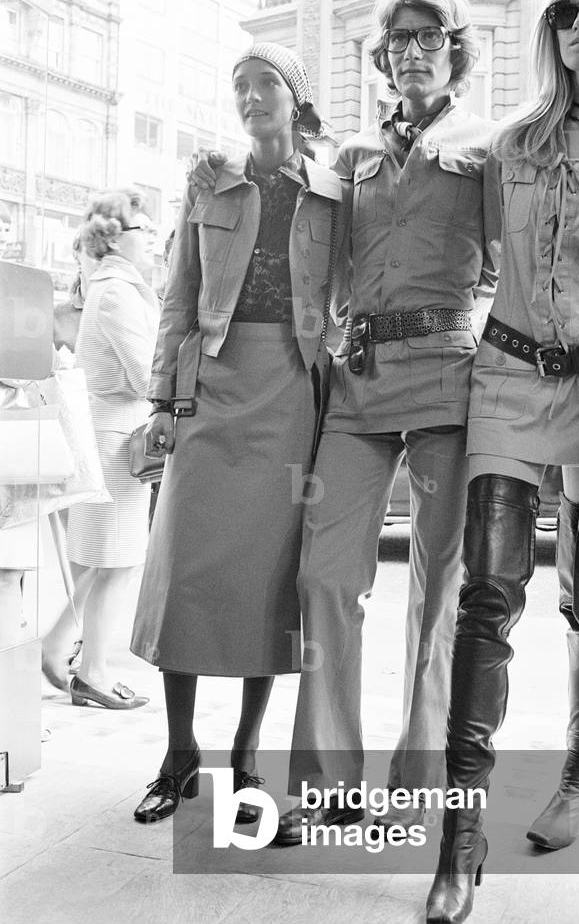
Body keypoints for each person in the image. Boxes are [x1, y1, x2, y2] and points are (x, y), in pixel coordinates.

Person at [425, 0, 579, 922]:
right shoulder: (507, 145)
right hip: (509, 377)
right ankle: (458, 836)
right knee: (486, 598)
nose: (576, 22)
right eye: (563, 8)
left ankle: (574, 781)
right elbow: (442, 236)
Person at [264, 0, 500, 841]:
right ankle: (330, 784)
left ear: (455, 48)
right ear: (381, 55)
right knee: (326, 577)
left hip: (446, 377)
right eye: (398, 38)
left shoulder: (491, 145)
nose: (411, 50)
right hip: (359, 384)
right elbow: (308, 250)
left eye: (428, 35)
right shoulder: (352, 154)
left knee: (438, 589)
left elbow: (513, 255)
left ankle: (419, 779)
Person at [129, 43, 346, 824]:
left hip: (291, 394)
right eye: (240, 87)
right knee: (183, 570)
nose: (251, 98)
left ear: (296, 98)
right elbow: (176, 298)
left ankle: (246, 758)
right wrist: (162, 400)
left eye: (267, 85)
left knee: (267, 582)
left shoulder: (333, 189)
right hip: (206, 391)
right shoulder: (206, 182)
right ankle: (179, 752)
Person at [40, 191, 159, 705]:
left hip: (112, 439)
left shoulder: (115, 288)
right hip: (117, 444)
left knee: (103, 560)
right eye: (144, 230)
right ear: (116, 239)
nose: (153, 240)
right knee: (119, 563)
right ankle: (93, 675)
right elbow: (145, 376)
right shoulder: (116, 292)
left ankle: (53, 649)